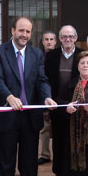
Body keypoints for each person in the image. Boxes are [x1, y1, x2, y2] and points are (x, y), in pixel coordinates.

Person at [0, 17, 57, 176]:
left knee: (29, 162)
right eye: (21, 31)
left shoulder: (36, 54)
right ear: (12, 30)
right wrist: (9, 97)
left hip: (29, 117)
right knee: (6, 163)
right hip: (7, 117)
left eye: (28, 31)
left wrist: (46, 96)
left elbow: (42, 80)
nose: (24, 35)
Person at [44, 25, 83, 176]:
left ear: (75, 37)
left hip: (77, 107)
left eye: (71, 36)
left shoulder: (82, 54)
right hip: (58, 107)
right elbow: (45, 80)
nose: (68, 39)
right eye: (64, 36)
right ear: (60, 39)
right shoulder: (51, 56)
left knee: (76, 143)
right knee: (59, 144)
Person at [38, 30, 57, 166]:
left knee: (57, 128)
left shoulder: (59, 56)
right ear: (43, 42)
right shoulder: (39, 56)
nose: (49, 42)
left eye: (51, 39)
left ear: (55, 42)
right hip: (44, 96)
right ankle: (44, 154)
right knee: (44, 128)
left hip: (58, 96)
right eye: (46, 39)